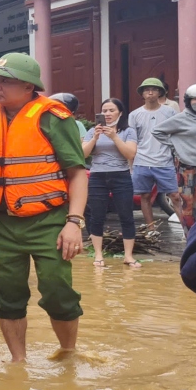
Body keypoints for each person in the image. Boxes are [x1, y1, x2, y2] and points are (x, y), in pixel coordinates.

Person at [0, 52, 87, 363]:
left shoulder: (53, 118)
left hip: (48, 221)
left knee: (58, 290)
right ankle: (19, 363)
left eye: (6, 81)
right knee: (6, 296)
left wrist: (74, 222)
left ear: (29, 86)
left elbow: (77, 173)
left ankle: (68, 355)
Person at [83, 98, 139, 268]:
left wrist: (114, 137)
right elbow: (83, 154)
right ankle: (98, 255)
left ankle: (128, 256)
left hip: (121, 175)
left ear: (120, 113)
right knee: (96, 216)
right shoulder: (92, 131)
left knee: (126, 216)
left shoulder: (128, 131)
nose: (107, 114)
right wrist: (95, 137)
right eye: (104, 111)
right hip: (97, 176)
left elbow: (130, 154)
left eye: (111, 110)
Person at [153, 83, 196, 229]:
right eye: (195, 99)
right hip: (189, 168)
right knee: (189, 205)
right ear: (188, 101)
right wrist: (176, 146)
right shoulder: (181, 118)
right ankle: (192, 238)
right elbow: (157, 131)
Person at [130, 78, 181, 226]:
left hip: (164, 160)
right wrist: (131, 164)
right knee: (144, 196)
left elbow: (176, 134)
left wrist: (177, 154)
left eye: (154, 89)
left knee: (175, 196)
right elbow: (132, 140)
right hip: (142, 161)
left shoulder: (170, 112)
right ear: (142, 93)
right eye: (146, 89)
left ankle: (187, 229)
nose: (150, 92)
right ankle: (150, 228)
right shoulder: (134, 114)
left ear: (160, 92)